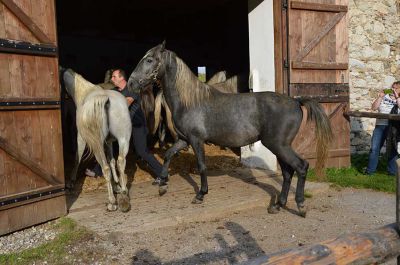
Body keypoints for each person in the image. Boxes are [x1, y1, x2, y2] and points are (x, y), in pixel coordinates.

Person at [85, 69, 163, 184]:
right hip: (122, 128)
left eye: (114, 77)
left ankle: (162, 173)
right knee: (107, 144)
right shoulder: (114, 91)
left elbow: (125, 104)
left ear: (122, 78)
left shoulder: (132, 90)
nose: (111, 79)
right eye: (112, 77)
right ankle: (98, 170)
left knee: (142, 152)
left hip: (137, 125)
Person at [365, 81, 400, 175]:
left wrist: (397, 97)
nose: (393, 90)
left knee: (393, 149)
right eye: (392, 87)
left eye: (396, 88)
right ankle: (370, 171)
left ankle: (392, 171)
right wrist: (380, 97)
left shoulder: (399, 98)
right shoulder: (384, 96)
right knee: (374, 148)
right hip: (380, 125)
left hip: (394, 127)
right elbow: (374, 108)